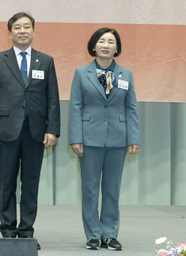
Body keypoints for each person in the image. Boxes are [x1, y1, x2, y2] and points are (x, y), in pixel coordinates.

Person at [0, 12, 60, 249]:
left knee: (30, 183)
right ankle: (8, 230)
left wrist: (52, 129)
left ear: (34, 32)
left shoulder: (45, 61)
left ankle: (26, 232)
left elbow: (52, 98)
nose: (22, 31)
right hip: (5, 131)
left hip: (35, 131)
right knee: (6, 183)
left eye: (27, 27)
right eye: (17, 27)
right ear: (10, 33)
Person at [69, 28, 140, 251]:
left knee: (112, 189)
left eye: (111, 42)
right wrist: (75, 138)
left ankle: (109, 234)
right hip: (89, 138)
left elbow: (131, 108)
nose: (106, 45)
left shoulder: (126, 74)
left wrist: (134, 137)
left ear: (117, 48)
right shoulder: (82, 73)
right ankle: (92, 234)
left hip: (118, 139)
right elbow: (75, 106)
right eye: (101, 41)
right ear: (94, 46)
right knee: (90, 188)